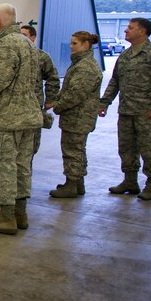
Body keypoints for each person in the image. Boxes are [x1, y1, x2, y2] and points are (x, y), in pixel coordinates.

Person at [0, 4, 42, 235]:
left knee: (3, 165)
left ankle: (6, 217)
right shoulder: (27, 44)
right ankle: (20, 213)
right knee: (22, 166)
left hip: (7, 116)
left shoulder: (5, 44)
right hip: (29, 115)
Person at [99, 18, 151, 201]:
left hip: (147, 112)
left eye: (130, 28)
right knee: (126, 148)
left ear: (143, 31)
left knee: (150, 149)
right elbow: (115, 81)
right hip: (126, 110)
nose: (126, 31)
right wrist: (104, 102)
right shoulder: (125, 55)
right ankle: (130, 181)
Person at [46, 31, 102, 198]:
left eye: (75, 43)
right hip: (77, 116)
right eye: (71, 43)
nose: (71, 46)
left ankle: (71, 184)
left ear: (86, 45)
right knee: (77, 150)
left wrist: (57, 106)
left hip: (78, 117)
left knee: (72, 150)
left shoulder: (85, 67)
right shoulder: (81, 63)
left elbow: (75, 94)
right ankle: (77, 183)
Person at [20, 25, 60, 154]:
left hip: (34, 105)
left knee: (31, 144)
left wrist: (50, 99)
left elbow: (53, 78)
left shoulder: (42, 57)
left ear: (33, 37)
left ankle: (26, 172)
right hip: (15, 106)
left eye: (25, 35)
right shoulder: (14, 55)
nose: (22, 39)